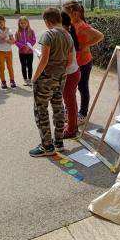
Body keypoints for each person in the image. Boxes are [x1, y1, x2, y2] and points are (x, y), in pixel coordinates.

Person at [29, 8, 72, 157]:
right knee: (58, 107)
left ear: (47, 21)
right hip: (61, 77)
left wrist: (34, 78)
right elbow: (70, 61)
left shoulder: (48, 34)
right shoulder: (68, 36)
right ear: (59, 19)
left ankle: (46, 146)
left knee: (40, 110)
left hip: (46, 78)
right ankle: (58, 142)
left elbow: (44, 60)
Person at [62, 1, 104, 125]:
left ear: (74, 13)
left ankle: (83, 114)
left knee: (82, 87)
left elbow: (100, 36)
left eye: (65, 12)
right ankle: (69, 111)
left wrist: (85, 45)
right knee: (70, 88)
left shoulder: (82, 25)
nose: (62, 15)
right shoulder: (69, 24)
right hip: (72, 62)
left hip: (83, 62)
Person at [61, 11, 81, 138]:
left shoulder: (65, 36)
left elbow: (67, 61)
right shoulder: (67, 33)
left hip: (70, 73)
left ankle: (71, 130)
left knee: (69, 103)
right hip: (72, 72)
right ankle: (72, 125)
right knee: (71, 101)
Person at [0, 15, 16, 89]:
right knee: (1, 67)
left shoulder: (9, 30)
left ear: (4, 21)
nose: (0, 24)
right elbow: (1, 38)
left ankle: (12, 80)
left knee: (10, 67)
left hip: (9, 51)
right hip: (0, 51)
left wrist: (6, 40)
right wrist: (6, 31)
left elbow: (13, 42)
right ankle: (3, 82)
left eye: (1, 22)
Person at [15, 16, 36, 86]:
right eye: (21, 23)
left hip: (30, 52)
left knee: (29, 66)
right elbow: (16, 42)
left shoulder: (31, 31)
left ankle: (30, 79)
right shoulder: (17, 32)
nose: (23, 24)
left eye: (24, 23)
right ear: (19, 24)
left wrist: (29, 47)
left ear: (27, 23)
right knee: (23, 66)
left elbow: (34, 40)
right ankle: (25, 79)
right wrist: (23, 47)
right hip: (22, 53)